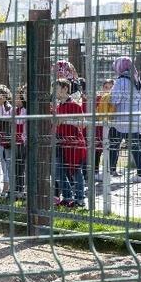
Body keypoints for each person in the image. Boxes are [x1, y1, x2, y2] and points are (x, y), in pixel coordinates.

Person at [108, 57, 141, 183]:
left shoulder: (121, 81)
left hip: (121, 120)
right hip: (135, 119)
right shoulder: (137, 80)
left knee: (113, 144)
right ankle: (140, 174)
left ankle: (111, 170)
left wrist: (109, 96)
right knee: (135, 147)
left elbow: (114, 100)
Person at [54, 78, 87, 208]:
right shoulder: (58, 107)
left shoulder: (74, 105)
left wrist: (65, 119)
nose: (54, 91)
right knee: (59, 171)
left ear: (65, 88)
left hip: (74, 143)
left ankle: (80, 199)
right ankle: (67, 197)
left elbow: (83, 124)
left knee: (76, 171)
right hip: (60, 142)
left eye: (56, 88)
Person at [93, 79, 115, 181]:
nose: (108, 90)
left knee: (110, 149)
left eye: (111, 88)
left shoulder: (114, 98)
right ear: (102, 88)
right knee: (98, 149)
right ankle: (95, 171)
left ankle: (108, 171)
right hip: (99, 127)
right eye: (106, 87)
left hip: (111, 126)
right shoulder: (98, 98)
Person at [0, 85, 14, 198]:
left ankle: (6, 187)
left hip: (5, 140)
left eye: (0, 95)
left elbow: (5, 119)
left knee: (6, 164)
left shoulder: (8, 108)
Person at [11, 87, 27, 197]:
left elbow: (19, 121)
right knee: (17, 166)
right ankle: (17, 188)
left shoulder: (25, 110)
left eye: (17, 97)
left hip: (24, 141)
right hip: (17, 141)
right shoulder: (16, 110)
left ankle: (22, 189)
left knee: (22, 166)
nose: (14, 100)